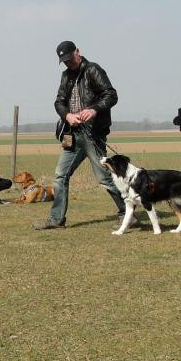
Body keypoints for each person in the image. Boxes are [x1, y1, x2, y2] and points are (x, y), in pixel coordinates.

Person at [32, 40, 127, 230]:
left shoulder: (93, 70)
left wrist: (94, 110)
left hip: (93, 134)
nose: (68, 63)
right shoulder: (65, 76)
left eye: (69, 58)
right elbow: (59, 102)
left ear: (78, 51)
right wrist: (67, 115)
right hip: (72, 135)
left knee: (104, 177)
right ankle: (56, 219)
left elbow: (111, 95)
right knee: (60, 175)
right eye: (64, 61)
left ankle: (127, 212)